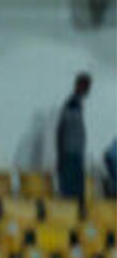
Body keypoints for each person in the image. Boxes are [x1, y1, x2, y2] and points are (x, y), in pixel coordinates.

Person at [56, 72, 91, 203]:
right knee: (70, 192)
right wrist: (60, 155)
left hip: (76, 153)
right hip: (70, 153)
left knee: (77, 191)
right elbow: (61, 130)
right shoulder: (71, 104)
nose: (87, 90)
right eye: (85, 86)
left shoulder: (78, 105)